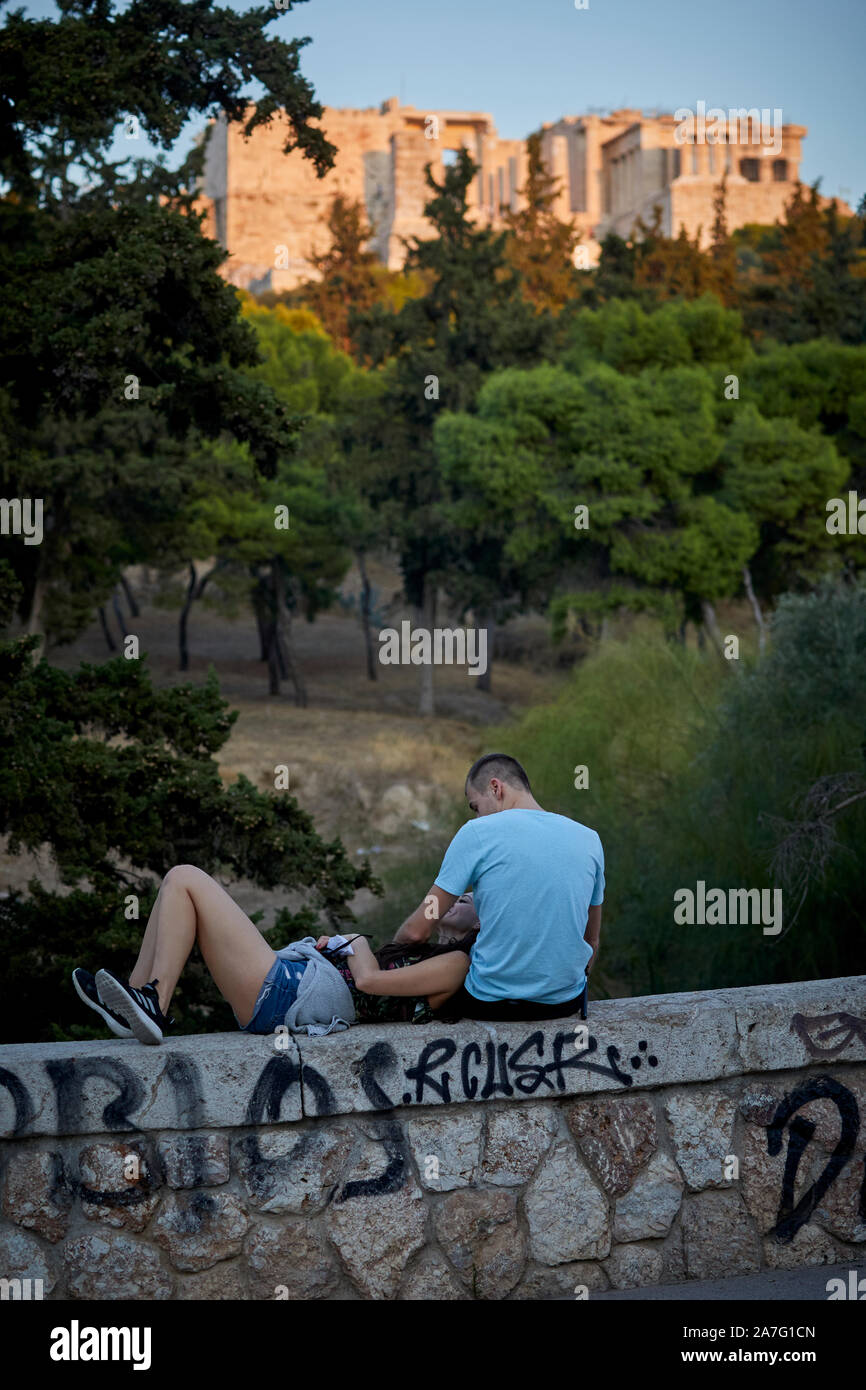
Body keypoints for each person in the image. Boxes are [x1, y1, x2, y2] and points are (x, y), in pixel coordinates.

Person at [71, 866, 479, 1045]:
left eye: (473, 899)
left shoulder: (458, 965)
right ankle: (139, 1000)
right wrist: (338, 949)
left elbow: (371, 981)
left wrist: (355, 944)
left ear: (483, 926)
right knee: (171, 888)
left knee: (185, 878)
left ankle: (153, 1004)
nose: (462, 896)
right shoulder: (426, 950)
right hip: (290, 987)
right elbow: (410, 931)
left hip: (289, 996)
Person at [389, 753, 604, 1021]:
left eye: (475, 806)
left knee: (444, 974)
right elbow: (591, 939)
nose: (477, 815)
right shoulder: (589, 839)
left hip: (491, 1003)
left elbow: (416, 932)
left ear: (495, 788)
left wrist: (389, 961)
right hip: (565, 1003)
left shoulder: (477, 833)